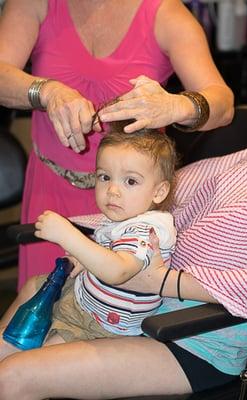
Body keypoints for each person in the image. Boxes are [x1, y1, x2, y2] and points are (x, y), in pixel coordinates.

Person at [0, 53, 247, 399]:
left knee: (15, 377)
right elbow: (158, 202)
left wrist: (160, 280)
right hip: (141, 302)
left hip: (194, 338)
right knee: (36, 291)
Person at [0, 0, 234, 289]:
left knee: (115, 316)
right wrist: (46, 91)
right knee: (39, 309)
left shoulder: (165, 13)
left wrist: (175, 105)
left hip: (132, 203)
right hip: (52, 192)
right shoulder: (34, 4)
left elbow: (223, 103)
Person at [32, 125, 178, 342]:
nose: (112, 190)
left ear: (159, 192)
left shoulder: (148, 230)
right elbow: (107, 251)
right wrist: (83, 259)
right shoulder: (124, 217)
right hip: (84, 301)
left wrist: (67, 235)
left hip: (102, 327)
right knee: (28, 301)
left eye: (130, 181)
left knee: (36, 364)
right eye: (104, 177)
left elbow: (117, 271)